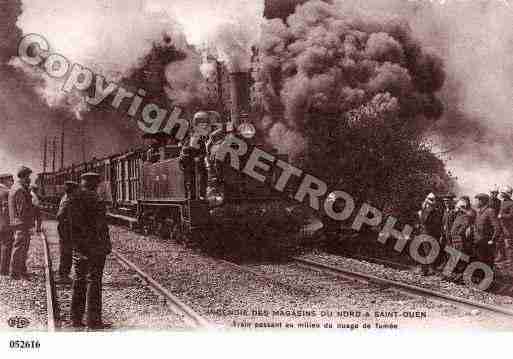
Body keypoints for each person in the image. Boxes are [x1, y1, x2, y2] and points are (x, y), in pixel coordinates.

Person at [70, 172, 111, 329]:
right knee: (94, 281)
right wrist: (105, 246)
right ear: (95, 184)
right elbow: (101, 227)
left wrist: (76, 245)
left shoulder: (74, 198)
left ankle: (75, 318)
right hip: (94, 248)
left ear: (82, 183)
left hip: (79, 247)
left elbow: (70, 226)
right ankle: (93, 321)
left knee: (79, 280)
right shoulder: (96, 200)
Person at [8, 166, 34, 280]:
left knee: (21, 247)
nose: (29, 179)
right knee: (20, 248)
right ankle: (15, 272)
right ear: (23, 176)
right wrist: (29, 224)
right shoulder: (19, 189)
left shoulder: (17, 187)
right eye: (28, 176)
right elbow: (22, 210)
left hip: (19, 223)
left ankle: (21, 270)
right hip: (21, 223)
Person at [56, 181, 78, 284]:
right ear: (72, 190)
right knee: (66, 252)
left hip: (65, 229)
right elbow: (60, 215)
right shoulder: (67, 200)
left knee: (66, 252)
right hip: (65, 230)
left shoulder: (66, 198)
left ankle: (64, 274)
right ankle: (63, 275)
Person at [417, 192, 443, 276]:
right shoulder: (423, 210)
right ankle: (424, 269)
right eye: (428, 199)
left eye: (431, 200)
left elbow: (435, 223)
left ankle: (430, 269)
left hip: (430, 234)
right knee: (422, 251)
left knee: (429, 252)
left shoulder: (435, 212)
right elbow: (421, 222)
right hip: (422, 233)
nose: (428, 202)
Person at [473, 193, 501, 271]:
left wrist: (493, 240)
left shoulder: (490, 211)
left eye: (477, 201)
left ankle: (488, 280)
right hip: (478, 240)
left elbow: (497, 227)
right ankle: (480, 279)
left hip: (486, 241)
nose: (475, 203)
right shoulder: (479, 211)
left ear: (482, 201)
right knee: (479, 261)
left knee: (487, 262)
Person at [449, 197, 475, 281]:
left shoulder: (468, 214)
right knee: (457, 256)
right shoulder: (459, 214)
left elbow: (465, 225)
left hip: (461, 239)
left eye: (460, 207)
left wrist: (459, 233)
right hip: (456, 238)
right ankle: (454, 275)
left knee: (460, 257)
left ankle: (459, 277)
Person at [0, 173, 14, 276]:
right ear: (4, 180)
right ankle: (3, 270)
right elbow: (5, 209)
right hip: (4, 223)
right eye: (10, 180)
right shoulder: (5, 192)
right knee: (6, 245)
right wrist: (9, 223)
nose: (12, 182)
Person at [440, 193, 457, 269]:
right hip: (445, 233)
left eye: (447, 201)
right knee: (446, 249)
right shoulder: (445, 211)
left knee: (452, 250)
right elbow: (443, 223)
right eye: (445, 201)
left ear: (451, 201)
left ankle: (451, 268)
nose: (446, 203)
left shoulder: (454, 211)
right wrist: (442, 234)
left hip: (452, 234)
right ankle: (446, 265)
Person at [497, 186, 513, 263]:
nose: (502, 194)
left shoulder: (511, 203)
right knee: (499, 241)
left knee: (508, 243)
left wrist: (502, 216)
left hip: (508, 227)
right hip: (501, 225)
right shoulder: (503, 202)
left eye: (503, 193)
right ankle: (502, 256)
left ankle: (510, 259)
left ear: (507, 194)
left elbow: (511, 215)